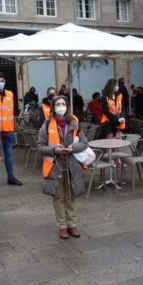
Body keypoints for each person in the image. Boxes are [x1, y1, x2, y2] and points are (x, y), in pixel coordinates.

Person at [38, 96, 88, 239]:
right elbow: (40, 146)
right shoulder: (47, 124)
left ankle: (72, 224)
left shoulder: (74, 122)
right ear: (53, 107)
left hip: (71, 164)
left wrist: (73, 148)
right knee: (58, 196)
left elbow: (84, 142)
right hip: (55, 166)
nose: (61, 106)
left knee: (71, 195)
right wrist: (54, 149)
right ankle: (62, 226)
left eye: (63, 104)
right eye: (58, 104)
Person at [0, 73, 23, 186]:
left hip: (8, 130)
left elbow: (13, 110)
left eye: (2, 81)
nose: (0, 83)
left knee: (9, 156)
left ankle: (11, 177)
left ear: (5, 81)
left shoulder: (10, 94)